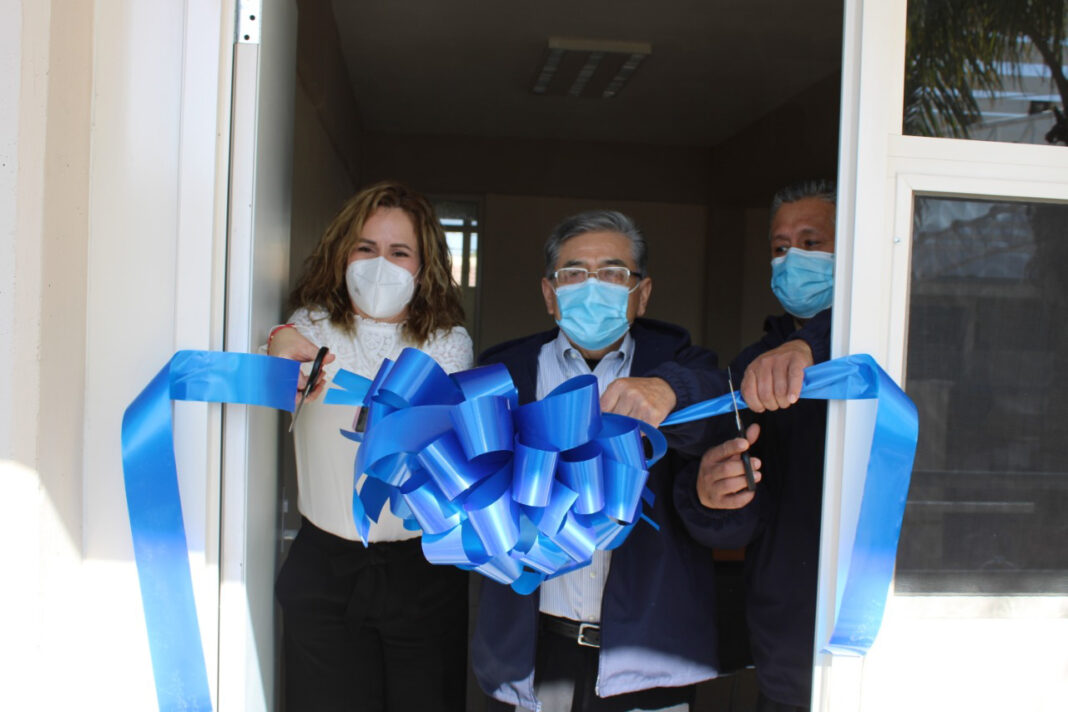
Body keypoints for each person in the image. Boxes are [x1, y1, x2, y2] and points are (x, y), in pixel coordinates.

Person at [471, 210, 743, 712]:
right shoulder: (501, 374)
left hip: (648, 663)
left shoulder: (682, 369)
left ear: (642, 293)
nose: (592, 287)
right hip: (531, 657)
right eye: (574, 273)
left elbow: (722, 411)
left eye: (613, 273)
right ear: (550, 293)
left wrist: (670, 390)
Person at [267, 180, 474, 711]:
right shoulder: (308, 327)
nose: (381, 264)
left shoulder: (448, 342)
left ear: (423, 267)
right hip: (325, 568)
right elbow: (271, 368)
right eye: (366, 248)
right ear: (343, 252)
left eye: (399, 252)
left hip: (420, 570)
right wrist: (276, 340)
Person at [675, 179, 836, 712]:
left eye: (811, 243)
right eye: (780, 247)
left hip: (896, 636)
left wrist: (811, 345)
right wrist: (710, 497)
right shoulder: (753, 368)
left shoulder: (894, 340)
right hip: (789, 645)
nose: (793, 260)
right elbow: (739, 521)